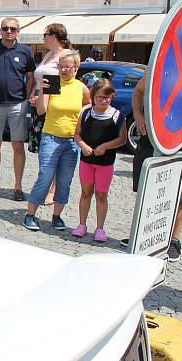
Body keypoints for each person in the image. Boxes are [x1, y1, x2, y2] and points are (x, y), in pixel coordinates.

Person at [23, 51, 91, 232]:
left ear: (76, 68)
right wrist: (43, 91)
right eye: (60, 66)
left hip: (71, 141)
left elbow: (89, 103)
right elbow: (42, 110)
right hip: (51, 137)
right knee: (45, 175)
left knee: (64, 180)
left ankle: (57, 216)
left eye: (67, 67)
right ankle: (30, 214)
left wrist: (81, 115)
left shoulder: (80, 87)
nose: (63, 70)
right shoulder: (52, 83)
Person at [131, 73, 182, 262]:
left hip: (179, 137)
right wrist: (138, 116)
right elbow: (138, 93)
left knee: (180, 194)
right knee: (145, 190)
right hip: (150, 137)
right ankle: (144, 235)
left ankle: (173, 240)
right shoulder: (155, 71)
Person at [0, 17, 36, 201]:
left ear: (18, 31)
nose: (9, 31)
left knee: (18, 145)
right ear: (0, 31)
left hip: (17, 104)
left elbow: (31, 78)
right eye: (5, 28)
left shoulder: (26, 51)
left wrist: (25, 99)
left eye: (12, 29)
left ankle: (17, 187)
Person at [72, 79, 127, 242]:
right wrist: (82, 145)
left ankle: (100, 228)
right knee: (85, 193)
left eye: (106, 97)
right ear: (93, 96)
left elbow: (122, 139)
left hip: (105, 163)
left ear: (112, 97)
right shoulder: (86, 113)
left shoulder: (117, 116)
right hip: (86, 161)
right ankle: (82, 225)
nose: (103, 100)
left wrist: (105, 146)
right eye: (99, 97)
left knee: (101, 195)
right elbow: (77, 134)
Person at [29, 24, 71, 206]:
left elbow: (63, 82)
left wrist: (43, 99)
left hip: (54, 106)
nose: (43, 38)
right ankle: (45, 185)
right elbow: (40, 80)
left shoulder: (65, 56)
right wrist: (34, 95)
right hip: (40, 102)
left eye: (44, 34)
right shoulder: (48, 55)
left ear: (53, 36)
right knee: (44, 148)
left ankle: (53, 190)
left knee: (53, 148)